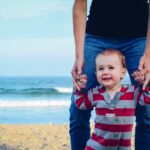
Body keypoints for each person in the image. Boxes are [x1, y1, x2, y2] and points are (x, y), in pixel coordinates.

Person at [70, 0, 150, 150]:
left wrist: (148, 53)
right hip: (96, 36)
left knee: (147, 112)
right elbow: (80, 4)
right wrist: (79, 55)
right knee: (77, 111)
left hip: (139, 38)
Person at [74, 49, 150, 150]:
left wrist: (143, 84)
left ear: (122, 73)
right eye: (101, 69)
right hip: (97, 146)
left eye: (111, 68)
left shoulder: (132, 92)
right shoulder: (95, 93)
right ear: (96, 74)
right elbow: (81, 104)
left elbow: (147, 99)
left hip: (123, 147)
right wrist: (81, 89)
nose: (105, 72)